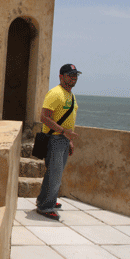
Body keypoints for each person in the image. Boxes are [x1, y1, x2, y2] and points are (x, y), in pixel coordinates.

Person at [36, 64, 81, 221]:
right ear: (61, 76)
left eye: (76, 75)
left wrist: (68, 140)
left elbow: (68, 120)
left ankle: (46, 200)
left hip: (63, 139)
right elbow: (44, 117)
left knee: (56, 173)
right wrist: (63, 132)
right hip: (54, 138)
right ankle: (45, 207)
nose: (74, 78)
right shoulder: (55, 93)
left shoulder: (70, 95)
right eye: (70, 75)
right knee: (54, 174)